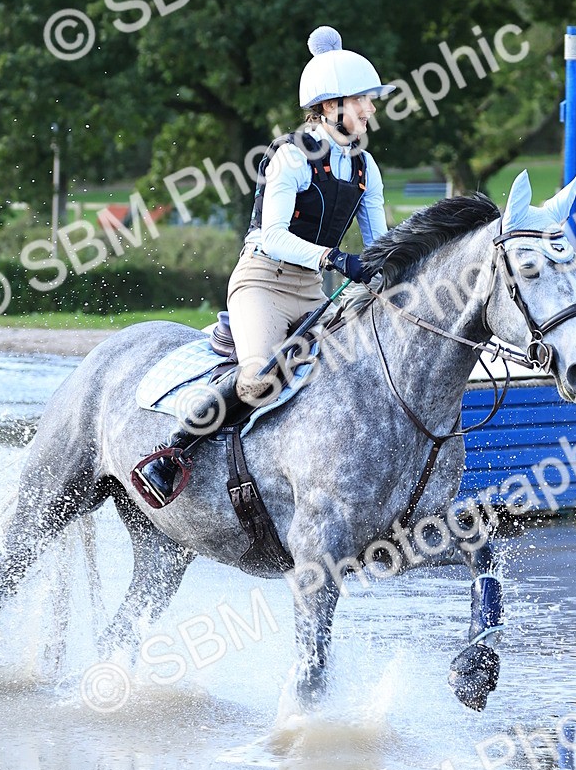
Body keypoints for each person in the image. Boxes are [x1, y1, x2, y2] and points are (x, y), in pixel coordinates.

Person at [134, 25, 396, 506]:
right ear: (332, 104)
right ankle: (171, 454)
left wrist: (392, 271)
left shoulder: (365, 166)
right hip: (263, 282)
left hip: (313, 290)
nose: (371, 109)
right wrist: (335, 258)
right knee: (260, 377)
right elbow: (271, 235)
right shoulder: (292, 156)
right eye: (364, 100)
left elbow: (379, 243)